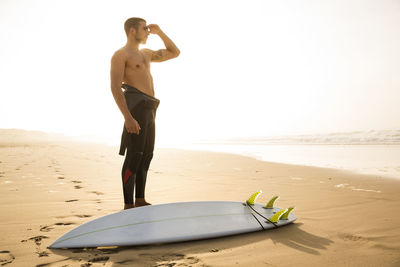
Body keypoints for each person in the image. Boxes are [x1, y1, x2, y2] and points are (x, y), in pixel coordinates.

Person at [110, 17, 180, 209]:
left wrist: (160, 32)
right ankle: (128, 204)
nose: (148, 32)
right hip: (136, 108)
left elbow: (175, 52)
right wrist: (127, 118)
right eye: (144, 28)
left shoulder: (146, 54)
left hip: (150, 108)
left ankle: (140, 199)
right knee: (134, 154)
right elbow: (115, 88)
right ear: (133, 31)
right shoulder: (120, 55)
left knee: (147, 154)